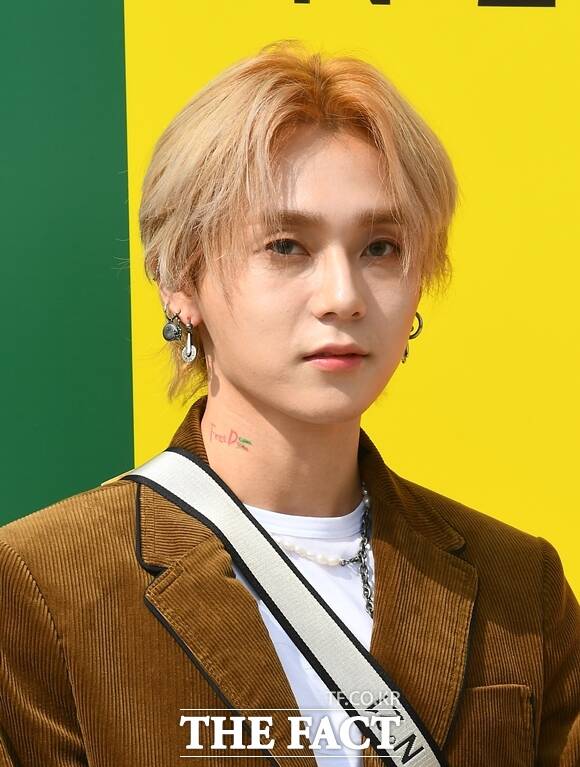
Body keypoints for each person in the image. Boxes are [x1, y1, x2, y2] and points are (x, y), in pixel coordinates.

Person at [0, 40, 578, 767]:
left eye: (380, 247)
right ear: (182, 279)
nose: (343, 296)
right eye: (286, 246)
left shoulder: (519, 585)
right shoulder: (42, 583)